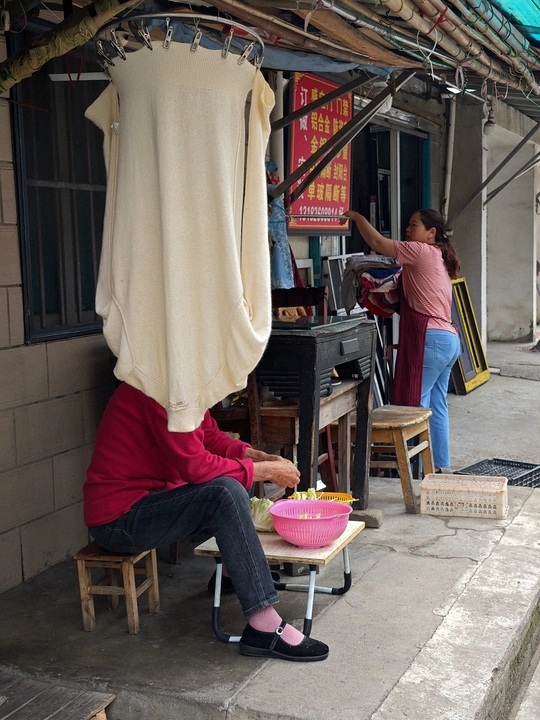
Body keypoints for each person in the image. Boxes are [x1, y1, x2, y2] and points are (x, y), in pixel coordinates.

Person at [83, 382, 329, 662]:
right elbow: (196, 466)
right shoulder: (159, 389)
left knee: (237, 479)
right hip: (119, 521)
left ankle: (231, 576)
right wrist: (263, 470)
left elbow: (209, 438)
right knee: (226, 491)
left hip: (148, 501)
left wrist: (257, 458)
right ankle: (264, 625)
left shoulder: (178, 384)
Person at [341, 209, 461, 471]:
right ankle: (436, 466)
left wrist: (357, 217)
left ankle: (417, 468)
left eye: (414, 225)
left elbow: (377, 243)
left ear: (431, 233)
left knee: (416, 406)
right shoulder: (438, 255)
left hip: (432, 338)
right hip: (448, 339)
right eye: (408, 224)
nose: (408, 229)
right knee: (436, 404)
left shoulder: (420, 251)